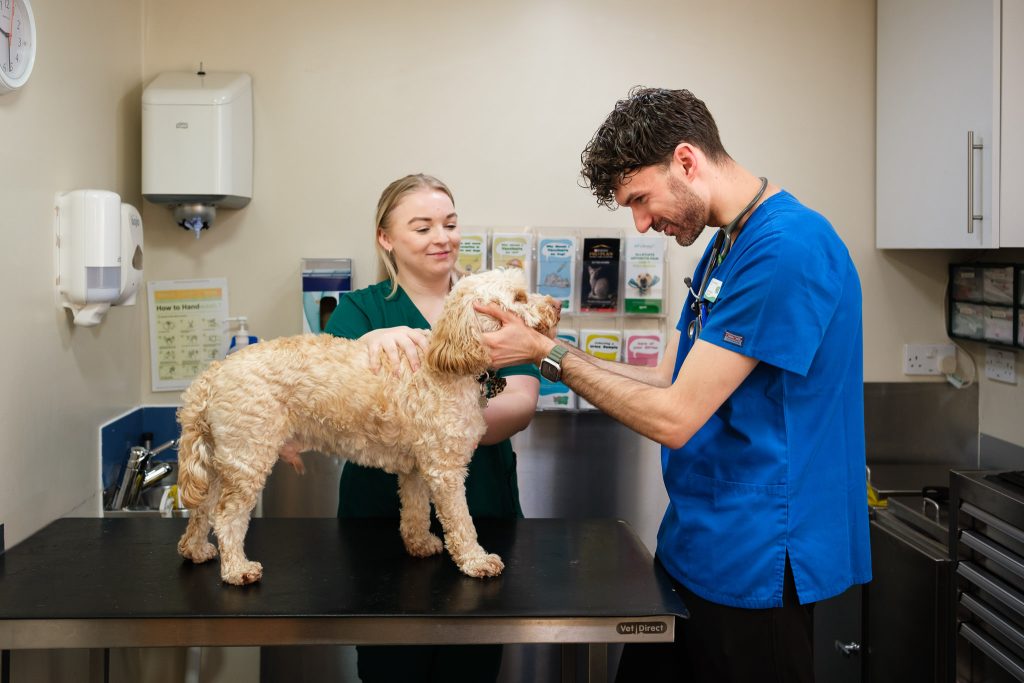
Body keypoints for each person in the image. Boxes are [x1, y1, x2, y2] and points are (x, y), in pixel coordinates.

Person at [476, 88, 871, 682]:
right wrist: (547, 353)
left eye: (640, 199)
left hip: (757, 552)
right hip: (698, 540)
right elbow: (665, 378)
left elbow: (675, 417)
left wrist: (545, 354)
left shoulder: (787, 247)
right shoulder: (724, 245)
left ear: (686, 161)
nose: (640, 223)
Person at [323, 173, 540, 683]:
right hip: (379, 522)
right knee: (390, 667)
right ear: (386, 238)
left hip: (482, 510)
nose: (442, 238)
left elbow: (522, 402)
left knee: (472, 668)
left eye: (450, 223)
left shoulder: (492, 303)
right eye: (422, 227)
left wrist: (433, 421)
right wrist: (369, 345)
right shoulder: (359, 313)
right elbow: (335, 404)